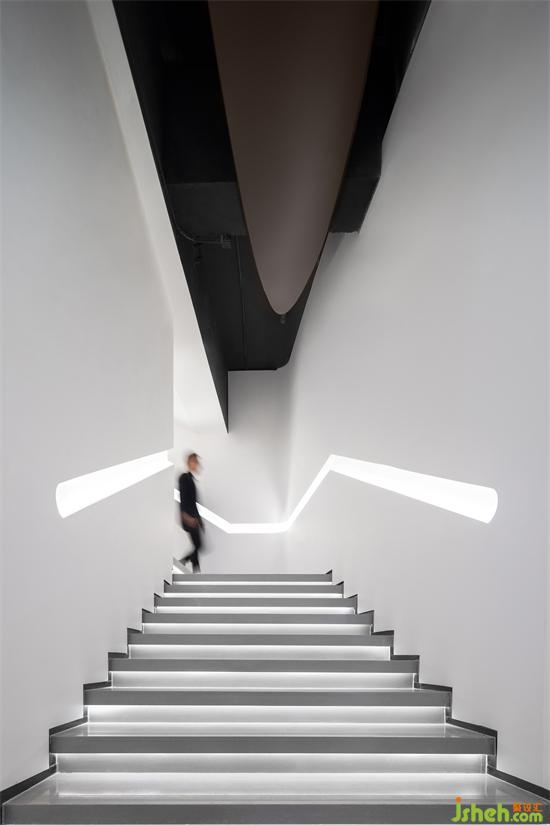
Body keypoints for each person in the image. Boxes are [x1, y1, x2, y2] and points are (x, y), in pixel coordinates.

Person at [178, 452, 203, 572]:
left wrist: (199, 520)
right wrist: (186, 516)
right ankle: (181, 562)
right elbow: (183, 498)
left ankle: (195, 571)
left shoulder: (191, 479)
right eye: (195, 462)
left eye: (197, 463)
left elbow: (193, 502)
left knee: (197, 545)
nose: (197, 465)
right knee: (198, 545)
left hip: (193, 518)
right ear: (189, 462)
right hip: (188, 518)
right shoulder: (184, 477)